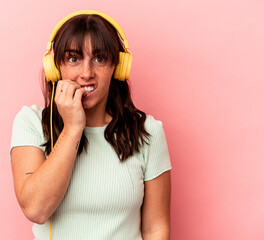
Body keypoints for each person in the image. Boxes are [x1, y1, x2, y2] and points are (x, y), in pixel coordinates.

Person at [10, 10, 172, 240]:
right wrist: (73, 127)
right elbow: (35, 209)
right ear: (55, 68)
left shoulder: (148, 132)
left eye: (100, 58)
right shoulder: (31, 123)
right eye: (74, 58)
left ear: (117, 67)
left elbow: (156, 229)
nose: (86, 73)